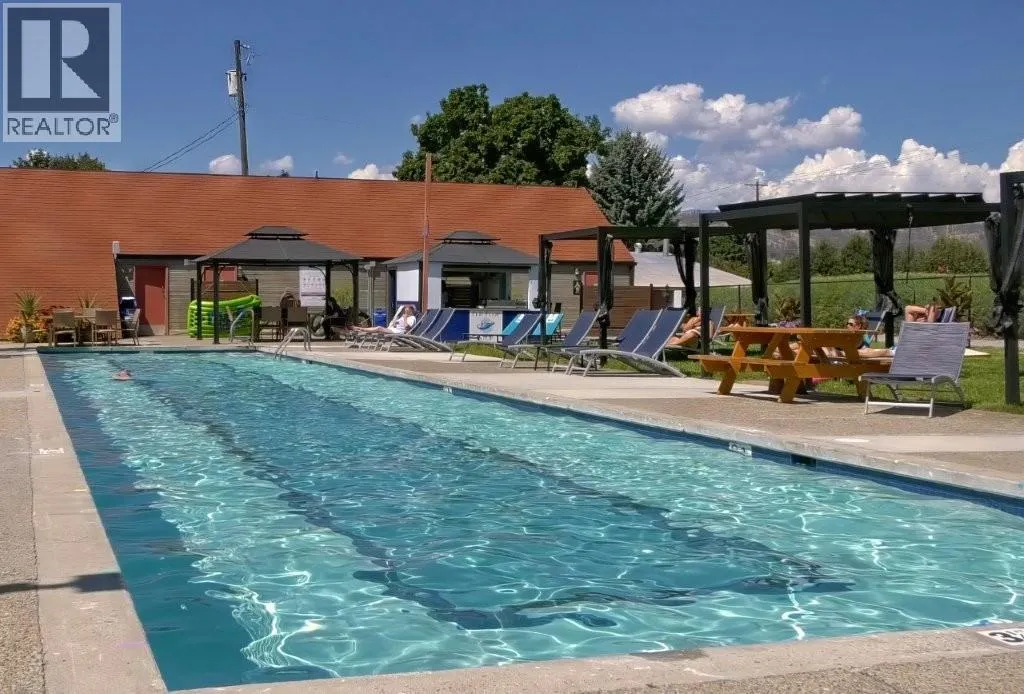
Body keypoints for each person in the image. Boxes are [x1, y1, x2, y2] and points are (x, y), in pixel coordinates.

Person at [352, 305, 417, 335]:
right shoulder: (403, 317)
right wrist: (394, 323)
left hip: (398, 332)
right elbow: (397, 324)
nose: (405, 311)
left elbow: (407, 328)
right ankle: (360, 329)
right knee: (378, 329)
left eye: (407, 309)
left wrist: (405, 318)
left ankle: (360, 329)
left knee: (379, 328)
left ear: (411, 310)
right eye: (405, 309)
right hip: (392, 329)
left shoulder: (412, 318)